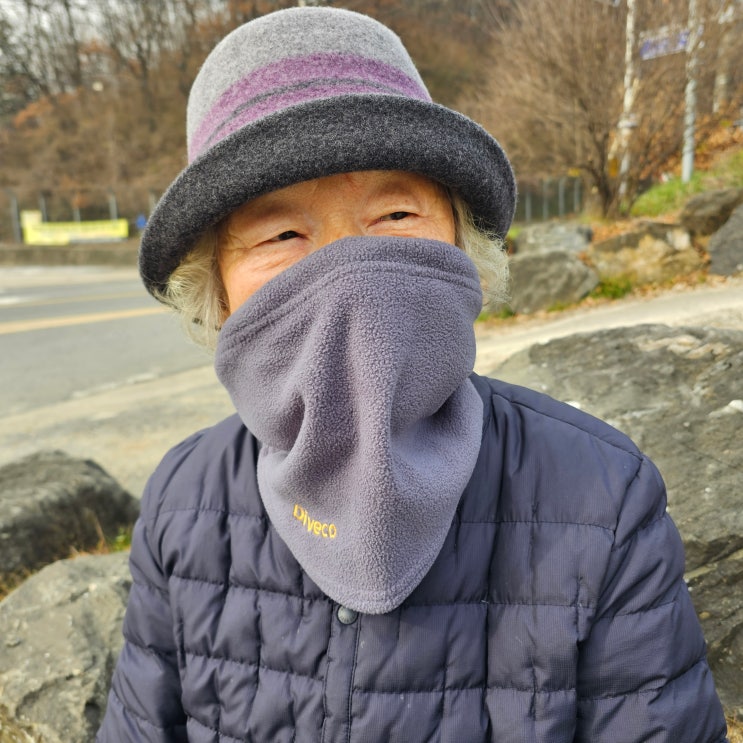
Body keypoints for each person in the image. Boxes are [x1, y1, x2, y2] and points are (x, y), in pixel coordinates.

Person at [97, 6, 728, 742]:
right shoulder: (182, 499)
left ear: (462, 243)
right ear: (218, 289)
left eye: (395, 215)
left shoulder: (602, 495)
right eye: (282, 233)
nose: (348, 265)